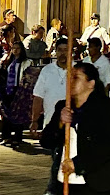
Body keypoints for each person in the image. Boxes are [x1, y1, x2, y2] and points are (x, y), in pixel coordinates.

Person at [41, 63, 110, 195]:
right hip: (63, 181)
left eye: (76, 77)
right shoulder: (63, 106)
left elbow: (108, 145)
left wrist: (78, 164)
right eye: (70, 77)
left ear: (90, 83)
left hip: (96, 182)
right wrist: (60, 123)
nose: (71, 81)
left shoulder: (104, 108)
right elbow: (46, 141)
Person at [32, 38, 71, 195]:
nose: (62, 54)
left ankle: (53, 189)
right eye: (60, 50)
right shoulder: (47, 71)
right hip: (52, 125)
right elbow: (38, 96)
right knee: (58, 158)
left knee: (60, 160)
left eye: (65, 50)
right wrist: (34, 120)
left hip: (72, 125)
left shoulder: (77, 70)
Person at [0, 41, 32, 146]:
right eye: (14, 48)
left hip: (20, 89)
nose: (15, 50)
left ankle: (18, 136)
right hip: (9, 89)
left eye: (18, 48)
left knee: (19, 113)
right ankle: (6, 136)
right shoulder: (9, 62)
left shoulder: (26, 62)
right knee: (7, 113)